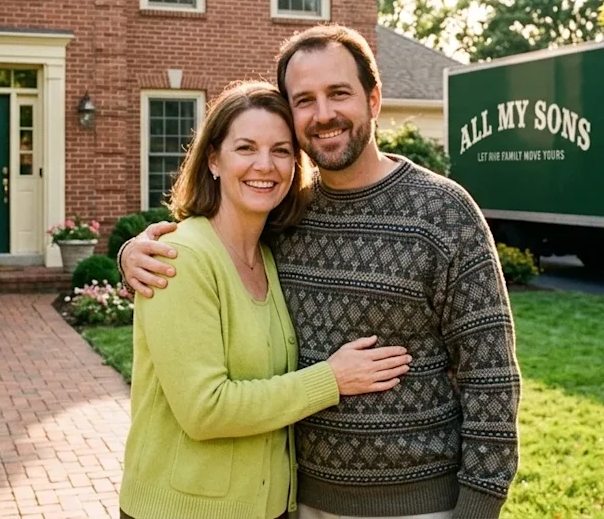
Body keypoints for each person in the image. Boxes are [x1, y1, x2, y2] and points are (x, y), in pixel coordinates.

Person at [121, 26, 521, 519]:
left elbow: (491, 377)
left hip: (419, 505)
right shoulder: (286, 219)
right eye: (304, 100)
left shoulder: (443, 212)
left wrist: (478, 508)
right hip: (299, 501)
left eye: (339, 93)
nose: (324, 114)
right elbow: (207, 256)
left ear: (373, 100)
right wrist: (133, 256)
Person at [118, 80, 414, 519]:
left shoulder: (272, 255)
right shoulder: (179, 258)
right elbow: (205, 410)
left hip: (269, 508)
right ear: (214, 159)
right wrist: (331, 379)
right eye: (246, 148)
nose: (265, 165)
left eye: (280, 150)